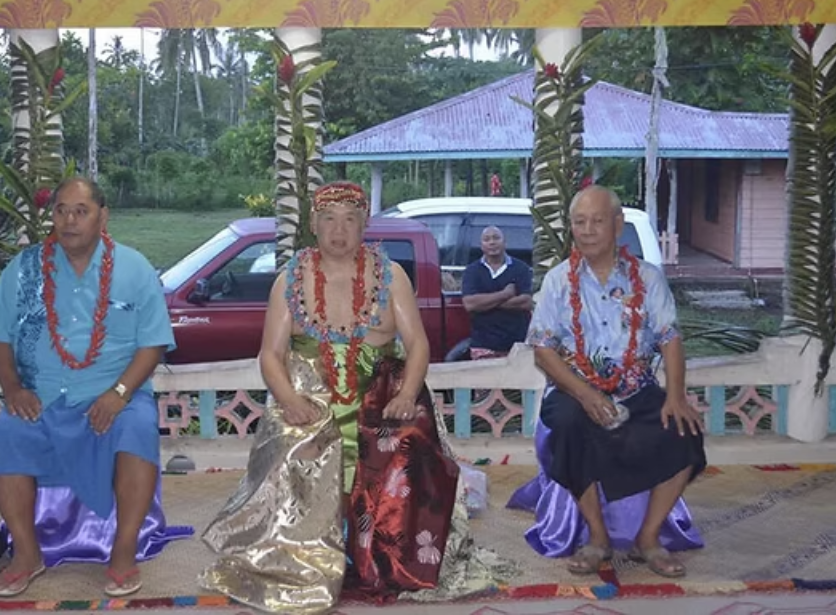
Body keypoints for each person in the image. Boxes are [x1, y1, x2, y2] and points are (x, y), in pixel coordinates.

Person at [201, 182, 516, 614]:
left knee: (406, 440)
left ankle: (387, 564)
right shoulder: (289, 280)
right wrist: (290, 399)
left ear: (365, 224)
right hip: (309, 395)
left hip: (381, 393)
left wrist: (407, 393)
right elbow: (270, 355)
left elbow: (418, 345)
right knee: (296, 446)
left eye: (350, 219)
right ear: (313, 224)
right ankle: (303, 562)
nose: (339, 230)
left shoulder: (390, 276)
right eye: (329, 219)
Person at [0, 177, 185, 598]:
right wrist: (13, 388)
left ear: (103, 216)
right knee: (8, 432)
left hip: (116, 394)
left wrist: (120, 393)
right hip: (44, 395)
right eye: (61, 211)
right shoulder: (25, 268)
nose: (69, 220)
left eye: (81, 211)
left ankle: (123, 552)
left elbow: (153, 342)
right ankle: (27, 555)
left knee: (137, 429)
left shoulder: (134, 268)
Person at [521, 185, 706, 578]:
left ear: (618, 225)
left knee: (684, 432)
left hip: (637, 390)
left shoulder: (648, 278)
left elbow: (670, 337)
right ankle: (598, 539)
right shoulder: (558, 281)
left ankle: (649, 538)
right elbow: (543, 350)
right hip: (574, 390)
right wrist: (585, 393)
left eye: (597, 220)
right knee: (569, 423)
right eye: (579, 222)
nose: (587, 230)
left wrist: (675, 396)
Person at [461, 226, 532, 361]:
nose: (492, 242)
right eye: (487, 239)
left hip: (517, 345)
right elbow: (470, 304)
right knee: (485, 382)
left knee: (516, 383)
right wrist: (505, 294)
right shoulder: (472, 271)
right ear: (481, 245)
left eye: (496, 238)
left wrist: (486, 302)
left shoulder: (521, 268)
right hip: (483, 345)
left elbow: (526, 302)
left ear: (505, 242)